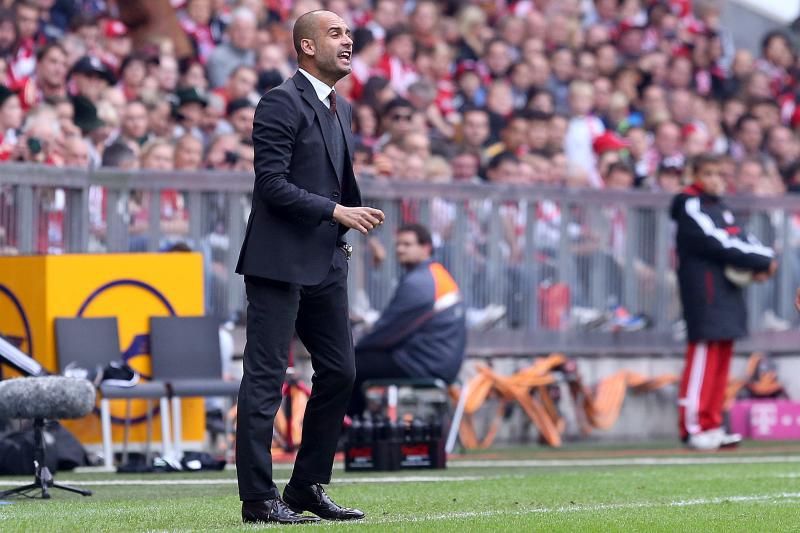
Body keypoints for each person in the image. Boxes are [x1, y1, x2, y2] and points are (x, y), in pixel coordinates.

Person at [234, 10, 384, 525]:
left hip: (325, 260)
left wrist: (346, 223)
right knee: (266, 378)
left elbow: (333, 180)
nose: (348, 41)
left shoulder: (335, 106)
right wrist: (334, 211)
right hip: (278, 263)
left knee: (341, 371)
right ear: (305, 46)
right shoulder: (280, 102)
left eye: (349, 33)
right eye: (335, 34)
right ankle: (258, 498)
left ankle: (305, 488)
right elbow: (270, 184)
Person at [670, 154, 777, 451]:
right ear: (693, 174)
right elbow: (718, 241)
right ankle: (692, 427)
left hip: (726, 292)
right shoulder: (689, 203)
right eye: (709, 173)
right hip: (703, 293)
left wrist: (763, 260)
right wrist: (763, 260)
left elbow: (745, 237)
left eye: (720, 173)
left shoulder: (720, 207)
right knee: (702, 360)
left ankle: (711, 423)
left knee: (721, 359)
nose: (716, 179)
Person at [348, 223, 466, 417]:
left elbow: (387, 332)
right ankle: (356, 430)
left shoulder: (419, 283)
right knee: (356, 363)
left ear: (426, 247)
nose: (400, 249)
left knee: (349, 365)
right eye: (398, 244)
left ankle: (349, 430)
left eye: (407, 244)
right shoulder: (435, 274)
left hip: (424, 364)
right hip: (437, 362)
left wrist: (355, 347)